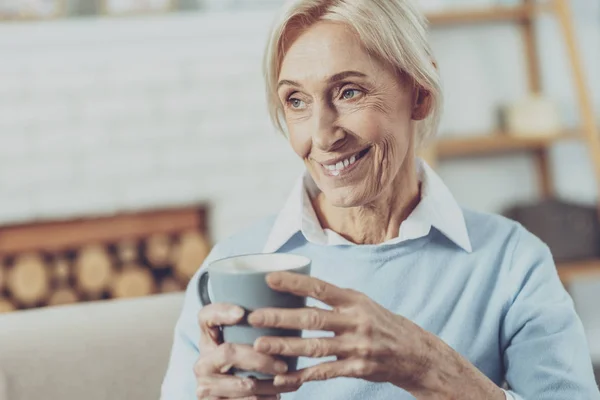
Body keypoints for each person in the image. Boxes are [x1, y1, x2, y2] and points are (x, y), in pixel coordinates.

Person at [161, 0, 600, 399]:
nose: (323, 135)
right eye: (296, 101)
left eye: (348, 92)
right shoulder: (234, 264)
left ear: (419, 93)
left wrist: (428, 367)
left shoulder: (512, 263)